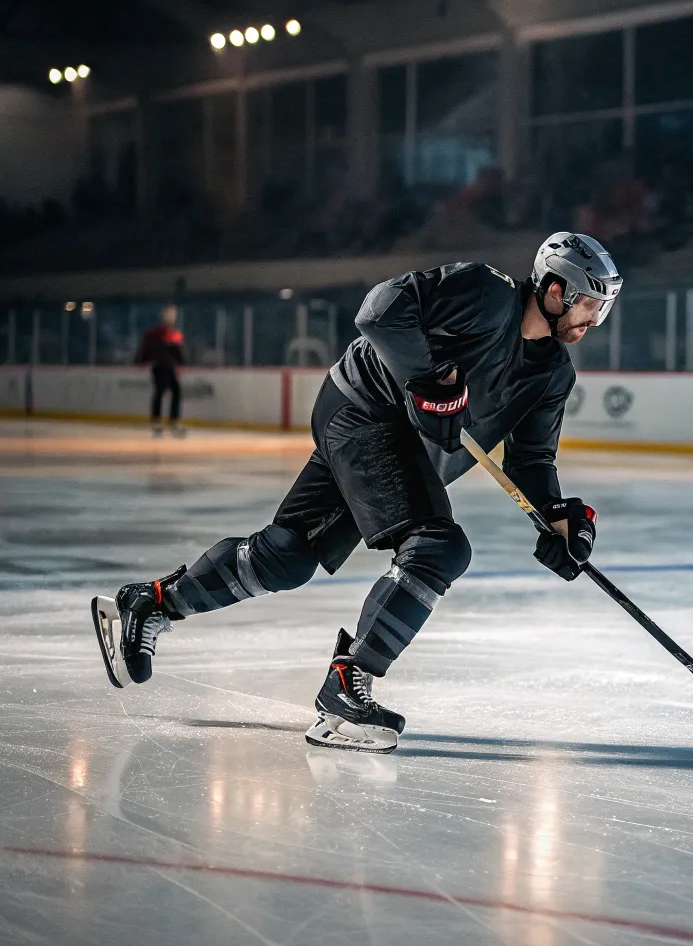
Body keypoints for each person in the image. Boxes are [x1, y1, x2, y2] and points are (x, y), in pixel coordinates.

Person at [92, 234, 623, 754]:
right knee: (439, 546)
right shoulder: (484, 293)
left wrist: (557, 515)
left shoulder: (553, 372)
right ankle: (347, 686)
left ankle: (152, 603)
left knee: (289, 555)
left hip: (398, 445)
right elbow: (378, 310)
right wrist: (427, 379)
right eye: (588, 304)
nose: (592, 320)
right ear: (554, 290)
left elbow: (531, 461)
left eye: (602, 309)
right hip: (364, 411)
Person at [137, 305, 186, 437]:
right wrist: (142, 360)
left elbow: (178, 354)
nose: (171, 318)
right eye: (168, 315)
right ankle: (157, 421)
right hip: (159, 367)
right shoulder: (155, 334)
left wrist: (180, 365)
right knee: (160, 391)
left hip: (170, 368)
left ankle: (174, 421)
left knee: (176, 392)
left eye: (173, 315)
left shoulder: (175, 335)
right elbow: (146, 349)